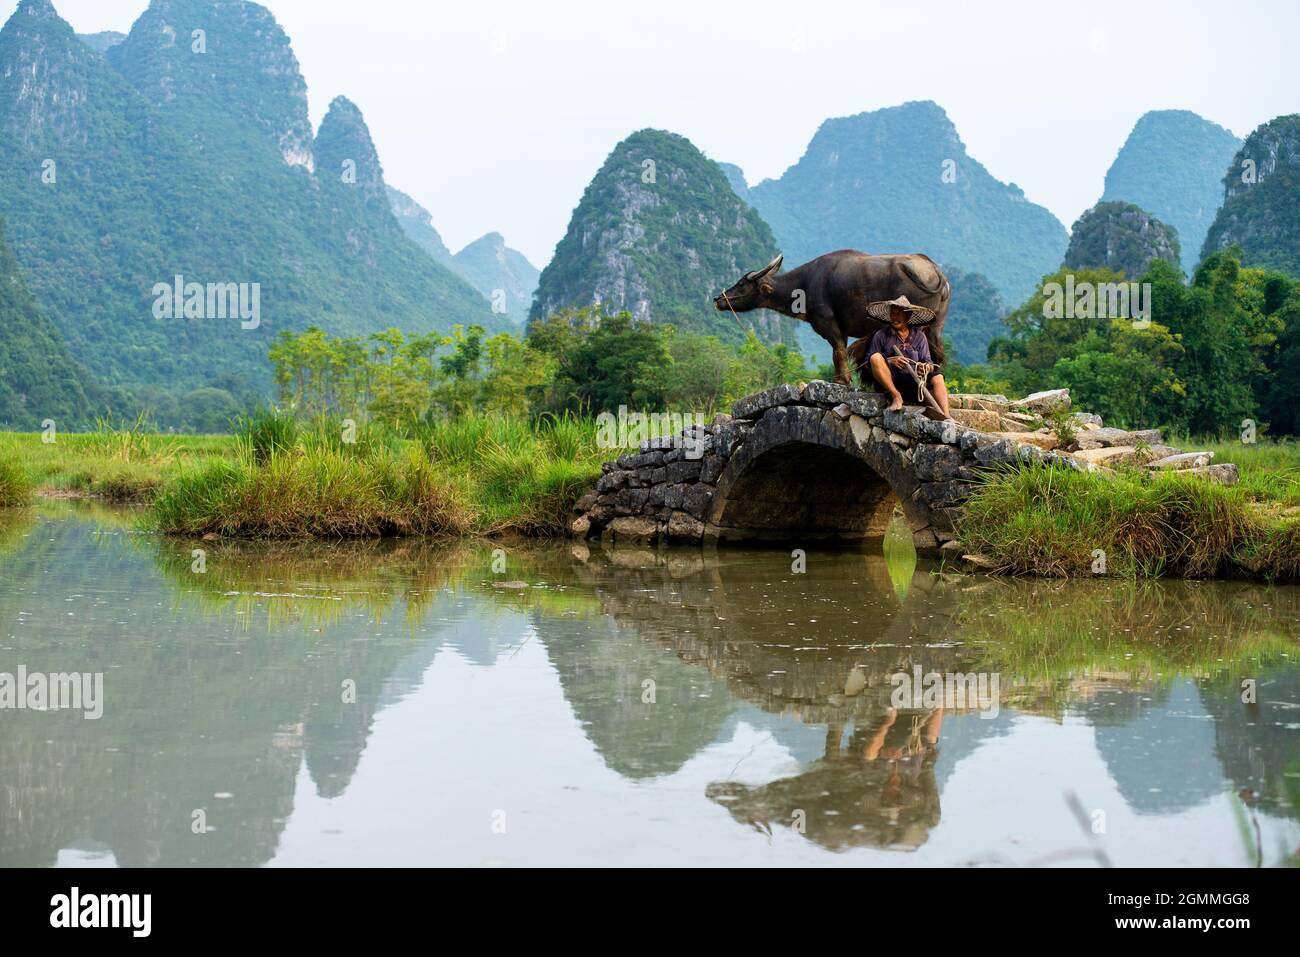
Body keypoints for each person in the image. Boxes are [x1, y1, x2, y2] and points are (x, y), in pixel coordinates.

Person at [862, 295, 951, 418]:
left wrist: (925, 367)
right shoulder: (881, 335)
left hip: (913, 381)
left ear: (908, 317)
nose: (894, 318)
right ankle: (896, 396)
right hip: (891, 381)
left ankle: (946, 416)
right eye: (893, 314)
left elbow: (929, 363)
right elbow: (867, 364)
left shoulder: (919, 337)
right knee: (875, 357)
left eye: (898, 314)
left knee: (938, 377)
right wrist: (890, 361)